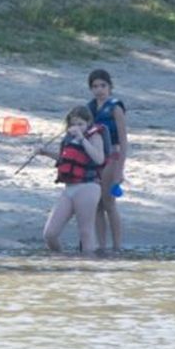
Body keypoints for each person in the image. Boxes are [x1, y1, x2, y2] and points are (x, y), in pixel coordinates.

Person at [37, 104, 109, 254]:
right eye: (73, 124)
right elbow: (66, 159)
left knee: (85, 232)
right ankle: (61, 263)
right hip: (69, 188)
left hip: (88, 187)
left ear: (88, 123)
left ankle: (87, 268)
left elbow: (99, 159)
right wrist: (46, 153)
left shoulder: (94, 136)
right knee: (50, 234)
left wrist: (82, 138)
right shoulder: (68, 139)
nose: (76, 127)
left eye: (80, 124)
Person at [87, 68, 127, 252]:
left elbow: (123, 139)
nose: (99, 89)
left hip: (113, 156)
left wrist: (120, 169)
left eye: (103, 85)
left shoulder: (115, 107)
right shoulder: (90, 108)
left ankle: (117, 247)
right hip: (95, 158)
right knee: (96, 204)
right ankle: (101, 247)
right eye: (95, 86)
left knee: (109, 203)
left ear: (110, 86)